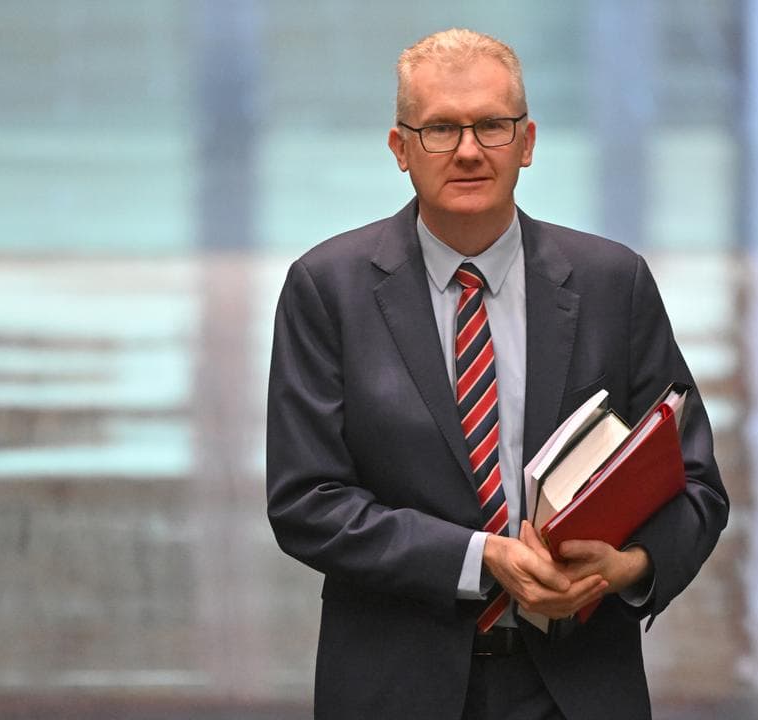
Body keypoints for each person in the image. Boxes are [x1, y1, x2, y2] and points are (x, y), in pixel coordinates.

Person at [266, 28, 728, 720]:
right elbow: (307, 503)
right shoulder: (327, 289)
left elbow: (694, 484)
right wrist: (482, 557)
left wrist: (629, 567)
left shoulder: (611, 284)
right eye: (441, 129)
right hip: (395, 684)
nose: (469, 150)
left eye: (492, 125)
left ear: (528, 142)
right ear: (400, 149)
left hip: (576, 686)